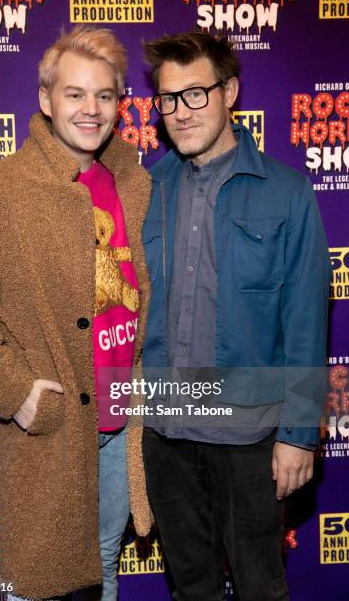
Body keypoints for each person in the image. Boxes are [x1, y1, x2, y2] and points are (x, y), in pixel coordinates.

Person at [0, 26, 152, 601]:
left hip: (122, 420)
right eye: (75, 94)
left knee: (106, 559)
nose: (91, 109)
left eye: (105, 96)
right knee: (49, 585)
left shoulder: (134, 183)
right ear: (45, 100)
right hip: (55, 431)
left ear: (120, 104)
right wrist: (17, 392)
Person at [141, 31, 331, 601]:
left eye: (196, 93)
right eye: (168, 99)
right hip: (165, 435)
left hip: (250, 438)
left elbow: (305, 322)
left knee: (259, 587)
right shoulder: (146, 189)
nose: (180, 111)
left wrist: (299, 435)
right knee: (190, 587)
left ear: (230, 92)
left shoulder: (289, 193)